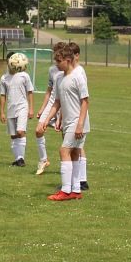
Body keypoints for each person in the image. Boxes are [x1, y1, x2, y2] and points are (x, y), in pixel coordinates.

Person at [38, 46, 89, 201]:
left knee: (64, 151)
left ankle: (66, 191)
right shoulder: (59, 78)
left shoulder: (77, 77)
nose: (56, 64)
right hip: (67, 121)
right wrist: (48, 119)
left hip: (77, 121)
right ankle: (76, 190)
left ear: (68, 60)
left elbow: (85, 102)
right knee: (73, 153)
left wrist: (80, 124)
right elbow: (57, 102)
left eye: (59, 61)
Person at [34, 42, 67, 175]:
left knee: (66, 137)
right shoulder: (52, 70)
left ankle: (67, 165)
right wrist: (42, 108)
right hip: (52, 104)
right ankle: (44, 160)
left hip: (64, 105)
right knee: (38, 130)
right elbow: (49, 91)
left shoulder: (68, 69)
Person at [0, 53, 34, 167]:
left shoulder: (24, 76)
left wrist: (31, 109)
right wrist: (2, 112)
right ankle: (17, 159)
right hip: (11, 108)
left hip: (22, 107)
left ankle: (21, 159)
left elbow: (30, 92)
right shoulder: (4, 78)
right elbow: (3, 95)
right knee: (13, 135)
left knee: (20, 132)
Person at [67, 42, 90, 190]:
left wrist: (80, 123)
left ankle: (80, 181)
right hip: (73, 116)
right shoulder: (72, 72)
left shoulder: (79, 72)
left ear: (77, 56)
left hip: (79, 117)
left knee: (76, 148)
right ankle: (80, 181)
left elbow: (84, 99)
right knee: (77, 148)